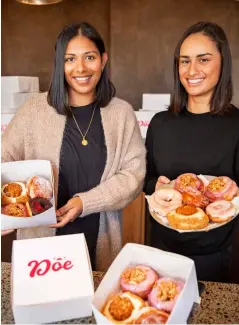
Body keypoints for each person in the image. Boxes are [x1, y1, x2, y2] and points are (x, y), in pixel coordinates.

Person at [2, 22, 146, 271]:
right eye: (70, 59)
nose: (81, 68)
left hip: (98, 240)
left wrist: (85, 203)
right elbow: (4, 157)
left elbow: (134, 175)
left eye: (89, 57)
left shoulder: (121, 113)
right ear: (61, 64)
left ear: (103, 60)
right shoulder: (33, 110)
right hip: (40, 244)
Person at [144, 21, 239, 282]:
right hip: (162, 248)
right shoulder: (161, 123)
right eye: (184, 61)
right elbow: (147, 176)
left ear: (223, 63)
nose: (192, 70)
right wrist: (157, 185)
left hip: (218, 255)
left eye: (203, 60)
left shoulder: (236, 124)